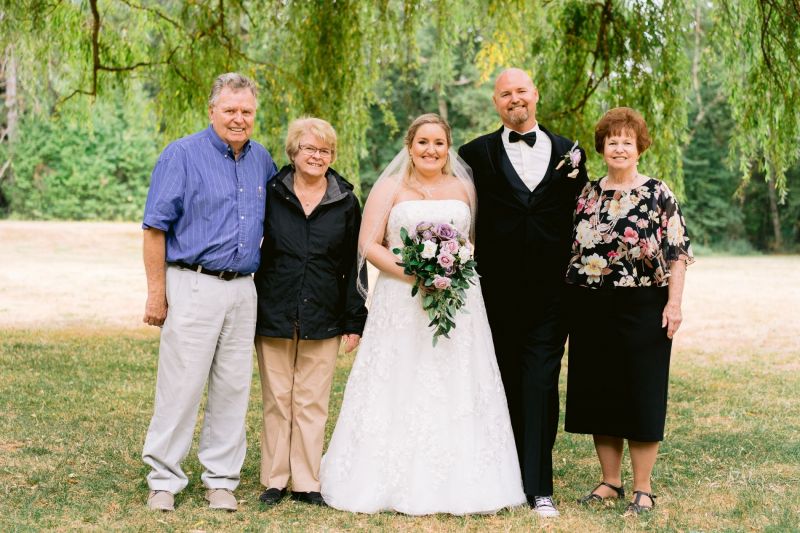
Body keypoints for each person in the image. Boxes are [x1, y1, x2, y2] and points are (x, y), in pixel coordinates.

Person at [320, 113, 526, 515]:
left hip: (459, 304)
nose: (431, 150)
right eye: (423, 143)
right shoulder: (391, 187)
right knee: (400, 377)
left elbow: (470, 244)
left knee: (457, 378)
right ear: (410, 146)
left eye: (438, 143)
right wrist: (417, 274)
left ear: (448, 147)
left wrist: (449, 272)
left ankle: (466, 477)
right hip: (400, 300)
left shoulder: (464, 188)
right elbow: (370, 244)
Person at [140, 72, 277, 512]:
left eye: (246, 111)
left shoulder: (262, 160)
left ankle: (221, 479)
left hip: (242, 289)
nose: (239, 119)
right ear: (212, 110)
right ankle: (163, 478)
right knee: (181, 385)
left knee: (233, 386)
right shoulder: (182, 155)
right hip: (192, 282)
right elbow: (154, 228)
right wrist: (157, 294)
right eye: (230, 110)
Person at [458, 68, 588, 517]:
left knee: (539, 381)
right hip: (493, 291)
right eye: (505, 93)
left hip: (553, 293)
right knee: (503, 382)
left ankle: (539, 487)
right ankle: (502, 473)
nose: (514, 98)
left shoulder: (572, 151)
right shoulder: (473, 153)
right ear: (495, 102)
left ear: (536, 95)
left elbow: (582, 216)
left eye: (521, 91)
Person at [564, 107, 693, 515]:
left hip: (644, 303)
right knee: (598, 391)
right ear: (602, 147)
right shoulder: (586, 192)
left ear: (639, 148)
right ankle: (610, 481)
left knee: (641, 391)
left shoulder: (658, 192)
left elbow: (677, 253)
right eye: (612, 141)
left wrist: (674, 304)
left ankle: (642, 487)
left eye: (627, 141)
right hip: (590, 304)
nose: (619, 147)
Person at [253, 117, 367, 508]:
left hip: (324, 311)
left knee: (312, 400)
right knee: (277, 398)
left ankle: (306, 481)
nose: (317, 156)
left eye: (324, 151)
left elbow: (356, 264)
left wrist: (355, 320)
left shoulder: (346, 200)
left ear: (332, 156)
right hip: (274, 307)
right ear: (294, 152)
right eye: (310, 149)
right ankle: (274, 478)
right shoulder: (271, 192)